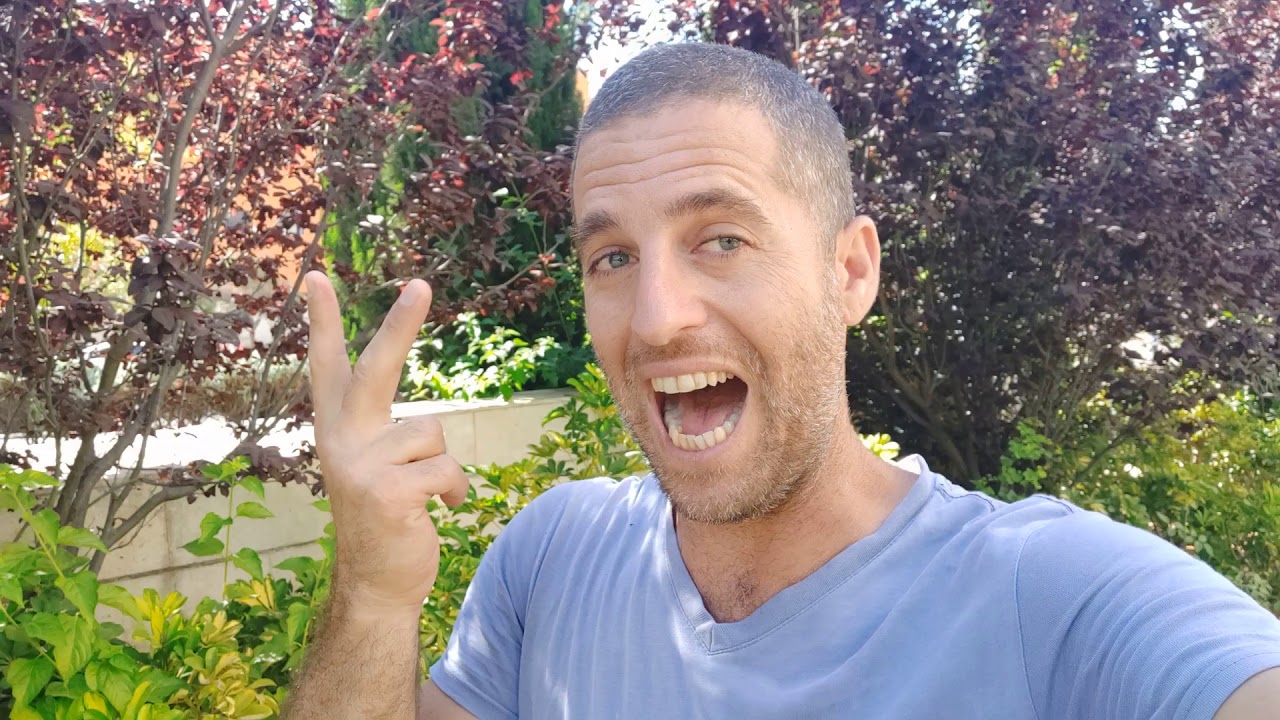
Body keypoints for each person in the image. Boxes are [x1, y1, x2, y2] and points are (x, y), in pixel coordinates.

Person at [283, 43, 1280, 719]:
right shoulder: (548, 560)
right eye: (612, 258)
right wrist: (371, 595)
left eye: (720, 239)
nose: (657, 318)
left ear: (848, 271)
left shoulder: (1049, 600)